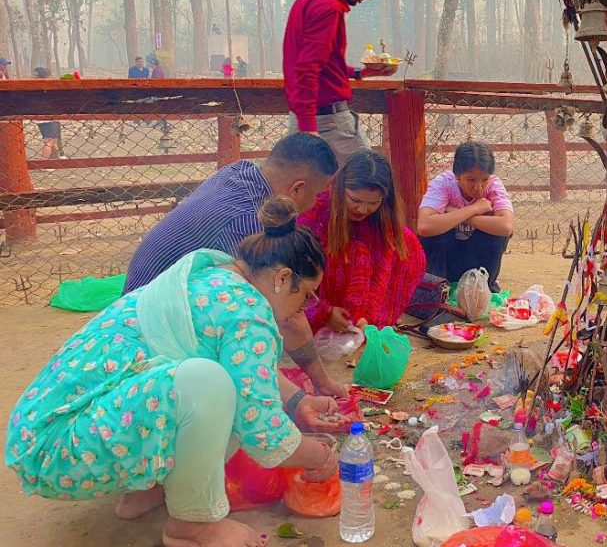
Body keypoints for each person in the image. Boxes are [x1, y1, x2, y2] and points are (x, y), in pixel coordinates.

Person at [6, 197, 348, 547]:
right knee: (209, 385)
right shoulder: (250, 312)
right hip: (61, 450)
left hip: (45, 436)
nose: (302, 309)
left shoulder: (216, 277)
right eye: (306, 296)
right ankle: (192, 528)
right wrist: (321, 456)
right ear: (283, 278)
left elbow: (245, 375)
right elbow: (262, 431)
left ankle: (149, 491)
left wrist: (297, 402)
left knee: (218, 384)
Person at [125, 133, 345, 397]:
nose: (314, 203)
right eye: (317, 195)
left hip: (141, 307)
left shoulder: (240, 172)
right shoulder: (249, 221)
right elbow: (285, 317)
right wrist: (321, 382)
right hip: (148, 336)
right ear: (297, 189)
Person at [283, 0, 396, 160]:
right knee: (368, 174)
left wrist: (361, 73)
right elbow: (307, 68)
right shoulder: (328, 8)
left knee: (312, 182)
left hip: (303, 117)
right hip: (328, 123)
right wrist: (309, 129)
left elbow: (323, 64)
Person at [299, 149, 426, 331]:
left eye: (374, 203)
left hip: (363, 297)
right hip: (322, 293)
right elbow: (295, 276)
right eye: (355, 200)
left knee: (407, 243)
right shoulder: (315, 214)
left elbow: (382, 270)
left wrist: (368, 315)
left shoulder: (382, 217)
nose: (363, 210)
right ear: (340, 188)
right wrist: (324, 312)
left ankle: (368, 322)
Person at [417, 141, 514, 292]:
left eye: (484, 179)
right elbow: (424, 226)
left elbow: (506, 226)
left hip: (477, 260)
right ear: (457, 176)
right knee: (435, 233)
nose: (478, 187)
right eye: (471, 180)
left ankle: (484, 290)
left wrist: (458, 213)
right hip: (445, 262)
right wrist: (474, 209)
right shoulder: (443, 183)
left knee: (497, 234)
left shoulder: (494, 185)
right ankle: (438, 291)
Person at [32, 67, 64, 159]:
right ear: (48, 76)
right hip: (50, 117)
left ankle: (59, 158)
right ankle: (44, 161)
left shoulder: (34, 86)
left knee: (53, 141)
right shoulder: (48, 86)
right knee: (49, 141)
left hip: (40, 118)